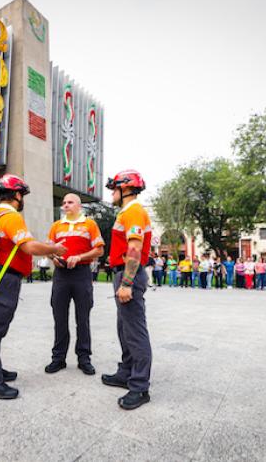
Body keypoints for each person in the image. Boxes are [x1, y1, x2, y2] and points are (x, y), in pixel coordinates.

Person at [0, 174, 66, 400]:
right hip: (6, 280)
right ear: (17, 195)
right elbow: (28, 247)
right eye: (22, 194)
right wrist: (54, 249)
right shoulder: (11, 217)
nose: (23, 198)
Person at [101, 170, 153, 410]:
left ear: (126, 189)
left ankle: (140, 387)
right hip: (122, 272)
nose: (111, 192)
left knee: (135, 331)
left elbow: (134, 248)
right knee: (124, 328)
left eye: (114, 188)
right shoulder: (126, 212)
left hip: (128, 274)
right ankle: (126, 372)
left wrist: (127, 283)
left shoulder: (133, 211)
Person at [45, 193, 105, 376]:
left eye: (70, 202)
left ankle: (84, 358)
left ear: (79, 206)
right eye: (64, 202)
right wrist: (53, 257)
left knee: (83, 319)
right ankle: (58, 358)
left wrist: (79, 257)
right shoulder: (56, 225)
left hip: (82, 274)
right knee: (59, 318)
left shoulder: (90, 224)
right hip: (61, 275)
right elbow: (48, 249)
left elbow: (100, 250)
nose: (65, 205)